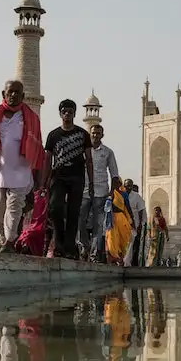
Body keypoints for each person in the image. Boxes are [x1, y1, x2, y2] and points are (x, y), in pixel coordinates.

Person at [0, 80, 44, 248]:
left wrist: (37, 179)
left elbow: (38, 148)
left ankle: (9, 241)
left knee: (15, 206)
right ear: (4, 94)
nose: (14, 95)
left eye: (17, 92)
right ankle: (3, 239)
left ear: (23, 96)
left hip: (21, 169)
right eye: (10, 92)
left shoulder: (31, 118)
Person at [41, 99, 94, 259]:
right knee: (55, 209)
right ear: (60, 113)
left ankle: (69, 248)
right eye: (64, 111)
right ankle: (59, 243)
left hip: (77, 177)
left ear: (74, 114)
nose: (67, 114)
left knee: (73, 212)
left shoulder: (83, 134)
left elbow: (89, 159)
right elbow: (47, 160)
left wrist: (91, 182)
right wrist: (43, 182)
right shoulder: (53, 135)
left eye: (70, 112)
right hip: (58, 176)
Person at [78, 123, 119, 261]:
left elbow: (114, 174)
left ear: (102, 135)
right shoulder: (84, 151)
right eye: (93, 133)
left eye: (98, 133)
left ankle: (94, 254)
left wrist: (112, 192)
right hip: (84, 191)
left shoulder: (107, 152)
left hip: (101, 192)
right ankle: (85, 246)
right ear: (90, 134)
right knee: (80, 221)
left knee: (98, 224)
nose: (95, 135)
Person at [104, 178, 133, 266]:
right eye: (114, 183)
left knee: (123, 239)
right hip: (112, 219)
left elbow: (127, 207)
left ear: (120, 184)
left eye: (117, 183)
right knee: (112, 238)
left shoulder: (123, 194)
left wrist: (132, 219)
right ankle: (113, 258)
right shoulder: (110, 194)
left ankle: (120, 258)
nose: (116, 184)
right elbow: (106, 207)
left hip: (121, 218)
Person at [124, 179, 148, 266]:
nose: (128, 188)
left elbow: (141, 210)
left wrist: (141, 224)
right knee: (124, 243)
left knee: (132, 243)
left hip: (135, 224)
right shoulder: (122, 195)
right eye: (126, 186)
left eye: (129, 186)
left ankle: (130, 263)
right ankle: (124, 262)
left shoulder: (136, 196)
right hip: (123, 223)